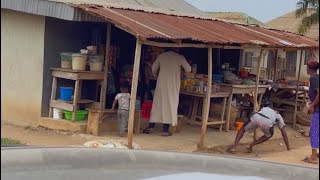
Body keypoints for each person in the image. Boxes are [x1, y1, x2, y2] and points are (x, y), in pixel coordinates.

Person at [143, 48, 191, 136]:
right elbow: (188, 69)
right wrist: (185, 75)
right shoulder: (179, 57)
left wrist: (155, 75)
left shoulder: (162, 56)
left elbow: (153, 68)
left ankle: (151, 126)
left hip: (161, 83)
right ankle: (165, 130)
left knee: (158, 104)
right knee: (170, 104)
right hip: (173, 85)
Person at [303, 60, 319, 164]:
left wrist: (312, 105)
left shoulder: (313, 79)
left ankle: (313, 157)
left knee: (314, 132)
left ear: (309, 69)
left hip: (318, 110)